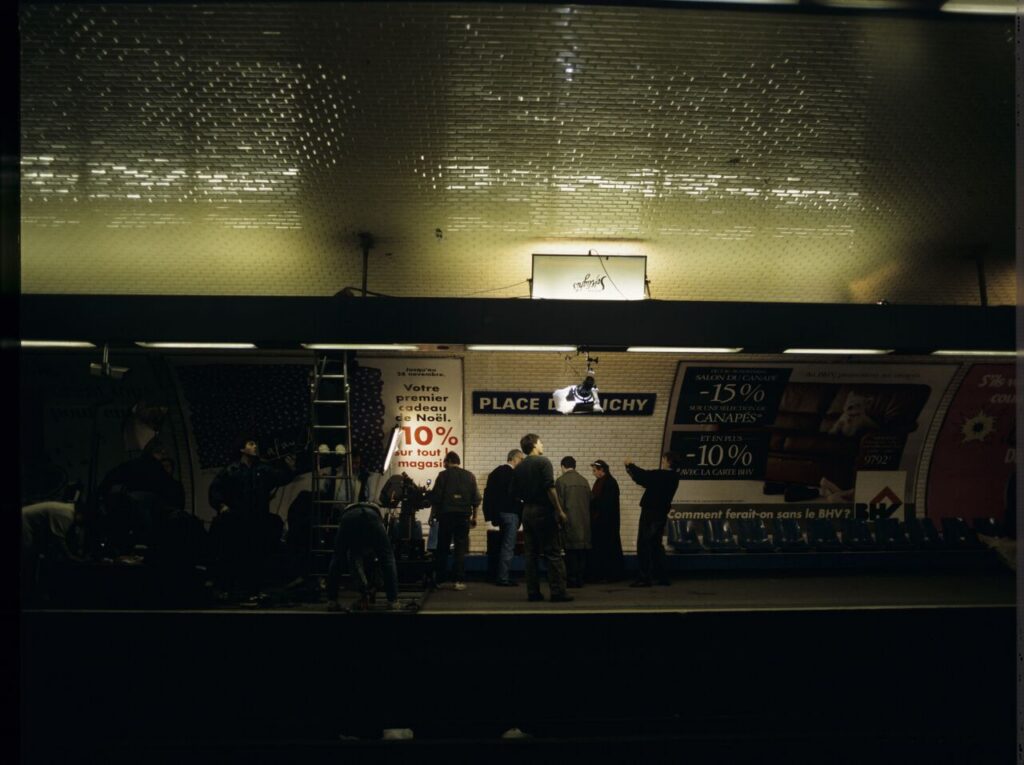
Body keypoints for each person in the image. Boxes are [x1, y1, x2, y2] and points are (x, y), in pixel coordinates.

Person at [208, 436, 295, 600]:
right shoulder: (231, 470)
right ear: (242, 449)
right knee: (235, 554)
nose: (255, 446)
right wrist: (221, 505)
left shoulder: (263, 469)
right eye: (251, 444)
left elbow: (280, 477)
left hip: (258, 519)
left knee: (256, 555)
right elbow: (215, 489)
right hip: (238, 520)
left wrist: (289, 468)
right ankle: (230, 589)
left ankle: (253, 591)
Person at [510, 434, 573, 603]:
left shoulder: (519, 467)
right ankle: (558, 592)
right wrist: (559, 510)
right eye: (540, 442)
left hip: (527, 511)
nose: (542, 445)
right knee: (553, 553)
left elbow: (514, 492)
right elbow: (550, 488)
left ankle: (533, 592)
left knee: (531, 555)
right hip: (543, 511)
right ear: (534, 445)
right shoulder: (543, 462)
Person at [325, 502, 400, 611]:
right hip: (372, 515)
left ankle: (331, 601)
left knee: (337, 557)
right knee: (387, 558)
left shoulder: (356, 546)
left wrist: (363, 588)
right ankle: (392, 601)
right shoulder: (377, 517)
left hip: (348, 517)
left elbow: (355, 563)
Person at [624, 453, 681, 587]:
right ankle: (662, 576)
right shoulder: (674, 477)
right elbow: (645, 478)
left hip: (650, 513)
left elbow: (642, 477)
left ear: (668, 461)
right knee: (656, 544)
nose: (662, 461)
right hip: (661, 513)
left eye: (664, 459)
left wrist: (630, 465)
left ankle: (644, 577)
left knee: (644, 543)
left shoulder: (661, 475)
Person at [428, 452, 481, 590]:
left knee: (442, 547)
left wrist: (432, 516)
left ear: (449, 461)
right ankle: (459, 580)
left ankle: (440, 579)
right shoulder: (470, 476)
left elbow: (436, 498)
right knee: (460, 547)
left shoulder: (443, 475)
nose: (443, 464)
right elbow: (476, 499)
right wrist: (474, 517)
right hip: (463, 516)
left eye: (444, 461)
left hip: (446, 516)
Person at [484, 449, 524, 586]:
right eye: (521, 459)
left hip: (497, 515)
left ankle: (494, 575)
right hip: (511, 514)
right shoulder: (515, 475)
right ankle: (503, 578)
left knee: (497, 546)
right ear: (514, 458)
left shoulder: (495, 473)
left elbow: (488, 495)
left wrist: (489, 516)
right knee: (508, 547)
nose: (522, 462)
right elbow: (518, 496)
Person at [556, 456, 591, 588]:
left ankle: (571, 579)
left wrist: (558, 521)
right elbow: (590, 501)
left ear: (563, 466)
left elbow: (558, 504)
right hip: (584, 523)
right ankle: (580, 579)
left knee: (570, 553)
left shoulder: (561, 481)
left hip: (569, 522)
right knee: (581, 553)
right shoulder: (584, 481)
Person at [588, 460, 624, 582]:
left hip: (606, 523)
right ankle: (605, 574)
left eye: (594, 470)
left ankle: (608, 575)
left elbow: (606, 503)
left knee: (606, 549)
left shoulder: (609, 483)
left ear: (601, 470)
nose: (593, 473)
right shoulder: (604, 482)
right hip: (603, 522)